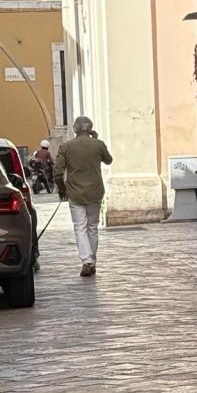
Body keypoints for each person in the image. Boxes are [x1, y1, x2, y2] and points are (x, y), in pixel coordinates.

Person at [54, 116, 113, 277]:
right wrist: (97, 140)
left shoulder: (65, 147)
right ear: (90, 128)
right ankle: (92, 261)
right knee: (92, 227)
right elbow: (109, 160)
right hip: (95, 191)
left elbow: (58, 173)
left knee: (80, 226)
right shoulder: (98, 145)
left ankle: (86, 261)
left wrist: (61, 189)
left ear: (74, 129)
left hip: (75, 192)